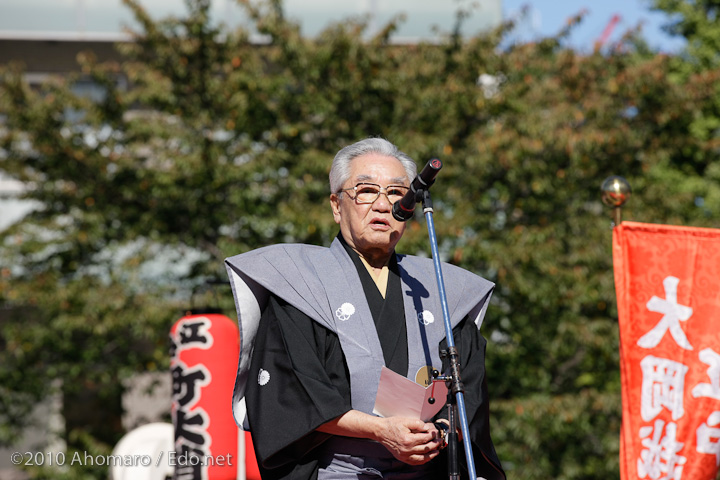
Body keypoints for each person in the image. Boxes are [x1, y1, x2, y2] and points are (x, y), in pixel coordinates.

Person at [225, 138, 505, 480]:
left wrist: (441, 430)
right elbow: (295, 398)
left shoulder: (440, 289)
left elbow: (468, 390)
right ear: (336, 205)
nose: (384, 205)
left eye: (397, 193)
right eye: (367, 190)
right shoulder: (300, 285)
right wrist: (381, 430)